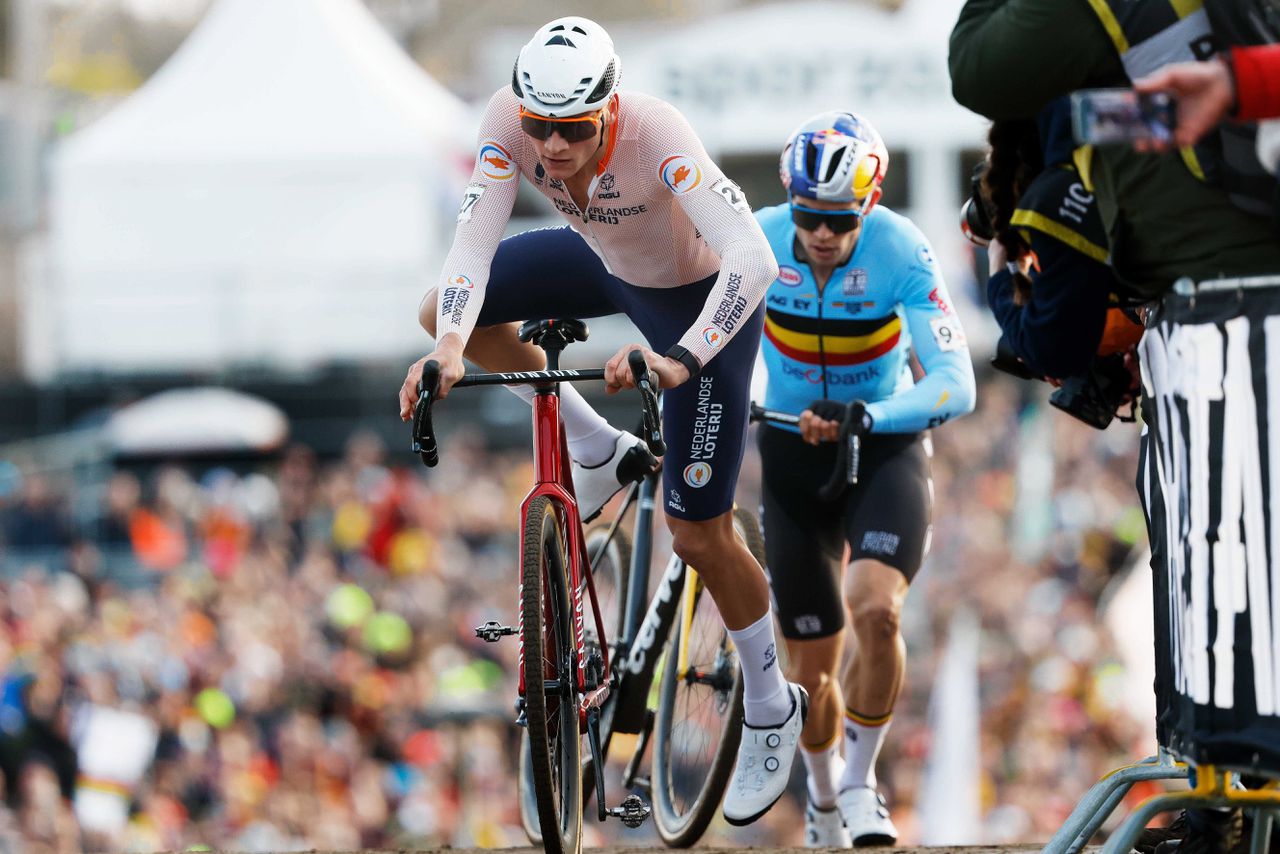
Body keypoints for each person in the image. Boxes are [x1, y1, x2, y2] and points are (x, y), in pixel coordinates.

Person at [396, 16, 806, 826]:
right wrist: (447, 349)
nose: (550, 146)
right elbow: (471, 252)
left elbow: (754, 257)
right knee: (442, 312)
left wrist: (681, 361)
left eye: (572, 129)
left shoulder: (658, 133)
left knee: (698, 536)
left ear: (608, 111)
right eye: (538, 124)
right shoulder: (508, 122)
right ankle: (592, 443)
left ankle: (768, 698)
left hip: (701, 306)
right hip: (606, 262)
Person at [951, 3, 1280, 852]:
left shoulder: (1062, 178)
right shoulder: (1106, 121)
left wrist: (999, 266)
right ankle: (1226, 795)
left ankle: (1229, 798)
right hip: (1213, 322)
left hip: (1228, 324)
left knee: (1230, 586)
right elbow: (1170, 108)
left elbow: (977, 66)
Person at [753, 111, 976, 847]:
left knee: (876, 610)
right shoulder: (753, 237)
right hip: (790, 459)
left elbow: (956, 383)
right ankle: (819, 802)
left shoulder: (901, 248)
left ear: (869, 205)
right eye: (809, 217)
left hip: (880, 447)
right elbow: (697, 328)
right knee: (809, 674)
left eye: (840, 220)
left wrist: (869, 415)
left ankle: (858, 784)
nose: (821, 234)